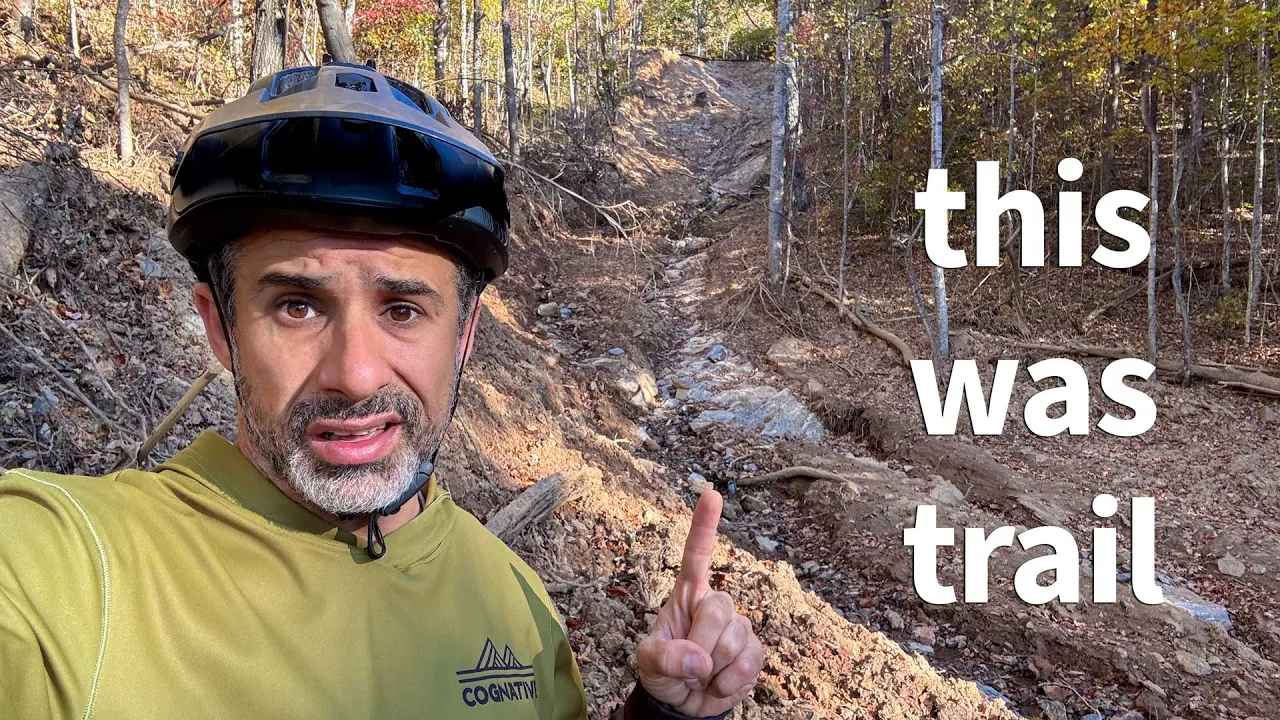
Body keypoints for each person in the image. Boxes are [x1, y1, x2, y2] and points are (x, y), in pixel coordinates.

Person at [0, 62, 763, 719]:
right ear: (220, 327)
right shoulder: (63, 576)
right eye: (297, 307)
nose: (356, 374)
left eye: (402, 310)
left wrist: (664, 715)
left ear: (463, 336)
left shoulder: (515, 606)